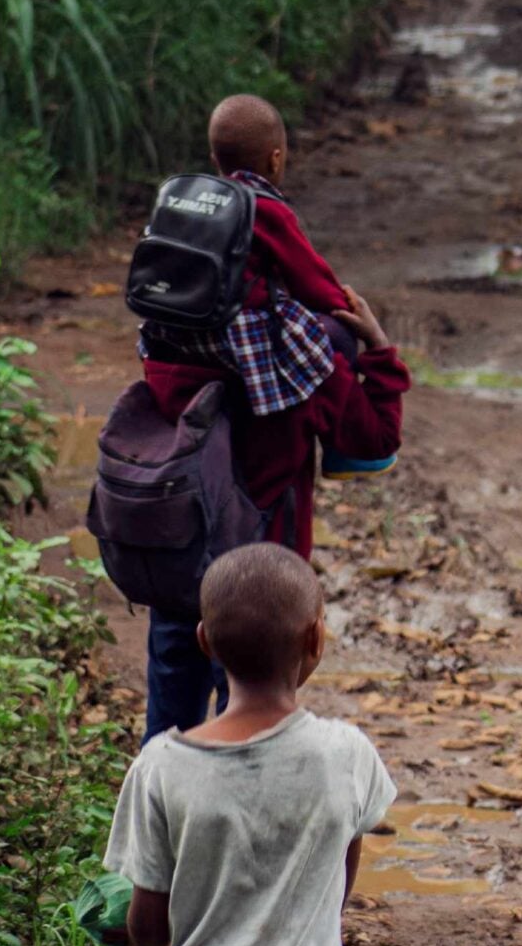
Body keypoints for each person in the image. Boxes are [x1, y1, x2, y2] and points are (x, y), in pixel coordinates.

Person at [104, 543, 397, 946]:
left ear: (204, 641)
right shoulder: (346, 755)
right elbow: (337, 885)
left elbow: (145, 928)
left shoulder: (161, 766)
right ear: (316, 639)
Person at [137, 282, 408, 742]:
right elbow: (375, 439)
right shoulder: (299, 355)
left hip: (177, 549)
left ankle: (160, 812)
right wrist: (378, 348)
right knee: (252, 720)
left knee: (166, 725)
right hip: (264, 573)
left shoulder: (169, 331)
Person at [155, 94, 390, 479]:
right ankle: (346, 452)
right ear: (275, 159)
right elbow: (315, 285)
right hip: (232, 343)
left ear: (216, 160)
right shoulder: (263, 208)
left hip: (172, 336)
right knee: (337, 336)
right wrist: (354, 316)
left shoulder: (187, 199)